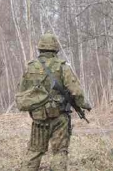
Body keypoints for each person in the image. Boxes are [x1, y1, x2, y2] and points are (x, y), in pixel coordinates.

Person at [17, 33, 91, 171]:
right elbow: (76, 91)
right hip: (59, 116)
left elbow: (22, 92)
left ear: (40, 48)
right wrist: (84, 105)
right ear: (56, 48)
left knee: (34, 151)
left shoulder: (31, 67)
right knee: (59, 152)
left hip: (39, 117)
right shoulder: (63, 66)